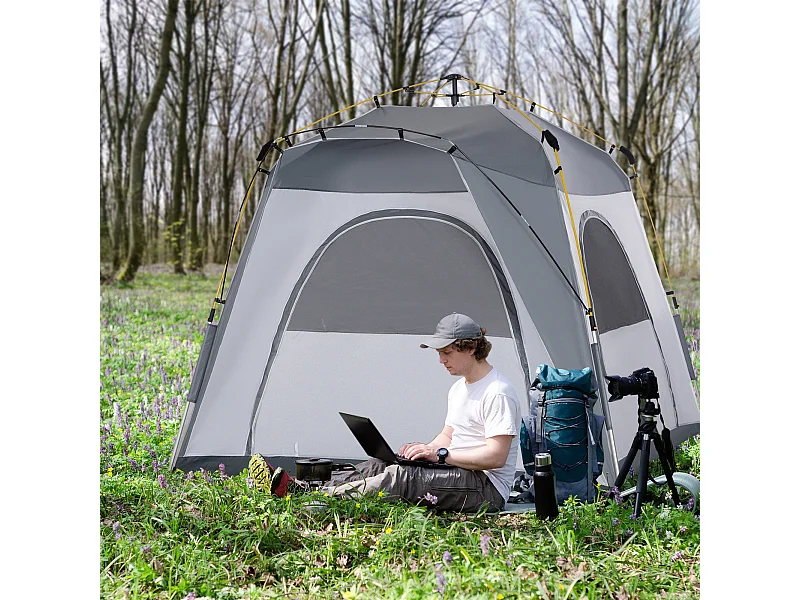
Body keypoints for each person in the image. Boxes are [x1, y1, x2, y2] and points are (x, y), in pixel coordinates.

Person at [249, 313, 522, 513]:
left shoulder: (497, 391)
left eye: (447, 353)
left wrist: (440, 455)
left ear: (471, 348)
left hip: (486, 488)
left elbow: (496, 457)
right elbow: (448, 435)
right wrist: (423, 451)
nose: (441, 360)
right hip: (457, 469)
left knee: (402, 478)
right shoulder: (459, 389)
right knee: (382, 464)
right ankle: (301, 486)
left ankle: (316, 501)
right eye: (439, 353)